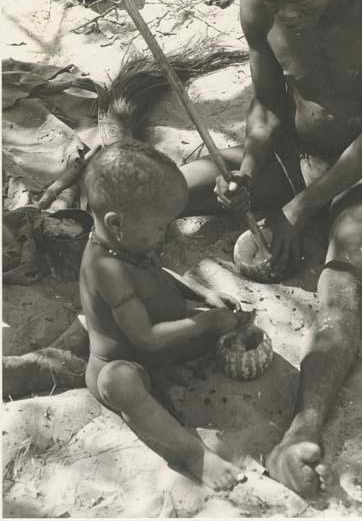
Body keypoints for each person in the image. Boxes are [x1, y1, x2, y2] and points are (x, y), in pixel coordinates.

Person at [180, 0, 362, 498]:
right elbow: (265, 108)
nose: (289, 14)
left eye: (304, 1)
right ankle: (62, 223)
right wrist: (253, 170)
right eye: (277, 0)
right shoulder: (259, 6)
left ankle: (302, 429)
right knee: (187, 183)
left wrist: (302, 207)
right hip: (293, 155)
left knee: (344, 278)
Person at [80, 140, 251, 490]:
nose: (162, 235)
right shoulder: (107, 268)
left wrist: (202, 293)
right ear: (117, 223)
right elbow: (144, 338)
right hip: (131, 361)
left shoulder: (127, 244)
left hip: (160, 341)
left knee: (227, 322)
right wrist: (204, 321)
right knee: (119, 383)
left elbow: (158, 272)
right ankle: (192, 454)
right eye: (159, 227)